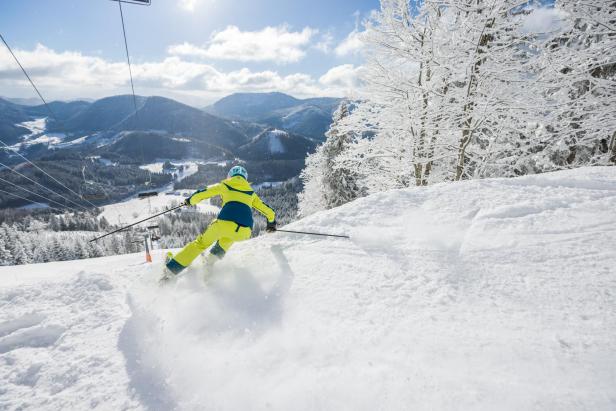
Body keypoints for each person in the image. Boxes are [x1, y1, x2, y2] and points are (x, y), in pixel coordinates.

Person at [162, 165, 276, 279]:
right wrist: (271, 225)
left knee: (201, 244)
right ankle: (209, 264)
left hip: (224, 223)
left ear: (229, 176)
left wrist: (189, 201)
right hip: (245, 231)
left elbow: (203, 193)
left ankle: (171, 269)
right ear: (245, 178)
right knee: (227, 239)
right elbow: (269, 212)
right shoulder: (251, 193)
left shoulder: (225, 185)